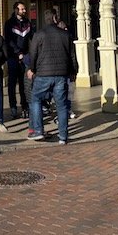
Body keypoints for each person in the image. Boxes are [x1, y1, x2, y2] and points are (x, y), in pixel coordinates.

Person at [26, 10, 78, 144]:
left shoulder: (39, 34)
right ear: (55, 18)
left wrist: (32, 69)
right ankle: (63, 136)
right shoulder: (65, 34)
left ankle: (38, 130)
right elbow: (72, 55)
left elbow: (33, 53)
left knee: (36, 99)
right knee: (61, 105)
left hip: (43, 73)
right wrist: (73, 72)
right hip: (61, 74)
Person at [3, 1, 31, 120]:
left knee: (24, 84)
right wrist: (17, 53)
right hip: (13, 57)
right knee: (12, 84)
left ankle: (25, 106)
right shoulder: (9, 24)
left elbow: (31, 38)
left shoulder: (27, 23)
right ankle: (13, 107)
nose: (24, 11)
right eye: (22, 9)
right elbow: (8, 40)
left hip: (25, 57)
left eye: (24, 9)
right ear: (16, 10)